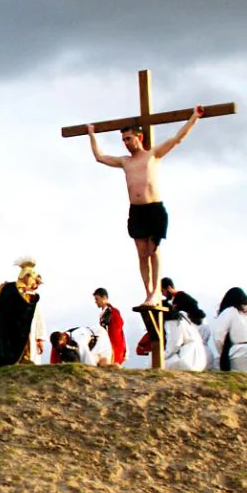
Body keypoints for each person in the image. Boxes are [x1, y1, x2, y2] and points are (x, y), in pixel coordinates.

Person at [86, 106, 206, 305]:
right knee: (142, 254)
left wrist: (195, 117)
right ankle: (148, 291)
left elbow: (177, 139)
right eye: (123, 140)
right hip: (137, 210)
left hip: (153, 208)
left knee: (154, 250)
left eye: (129, 138)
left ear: (139, 137)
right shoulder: (125, 162)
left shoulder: (153, 155)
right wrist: (91, 134)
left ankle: (155, 293)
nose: (126, 143)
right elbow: (99, 157)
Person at [0, 259, 42, 369]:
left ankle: (23, 360)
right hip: (9, 323)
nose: (33, 281)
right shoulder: (7, 287)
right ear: (26, 276)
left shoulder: (30, 292)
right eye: (32, 278)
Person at [207, 287, 247, 373]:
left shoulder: (230, 311)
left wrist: (223, 354)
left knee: (214, 365)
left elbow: (219, 336)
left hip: (242, 354)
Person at [163, 289, 209, 371]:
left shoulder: (173, 318)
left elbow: (175, 343)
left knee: (155, 364)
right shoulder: (186, 316)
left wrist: (162, 356)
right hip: (202, 357)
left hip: (188, 359)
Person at [94, 288, 127, 367]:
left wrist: (110, 346)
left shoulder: (112, 312)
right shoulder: (105, 312)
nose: (95, 302)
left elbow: (116, 330)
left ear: (104, 298)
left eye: (97, 299)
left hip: (113, 344)